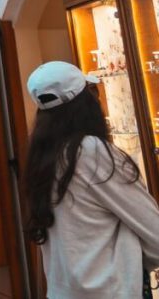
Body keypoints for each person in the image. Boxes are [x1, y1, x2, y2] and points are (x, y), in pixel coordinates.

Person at [24, 61, 159, 298]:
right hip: (110, 290)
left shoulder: (44, 157)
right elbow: (154, 230)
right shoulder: (91, 152)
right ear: (85, 103)